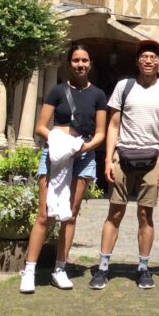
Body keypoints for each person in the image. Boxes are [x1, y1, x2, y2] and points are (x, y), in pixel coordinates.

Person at [19, 43, 107, 293]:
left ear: (91, 64)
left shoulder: (98, 95)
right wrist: (60, 141)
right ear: (69, 63)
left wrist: (83, 146)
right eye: (76, 60)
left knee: (70, 215)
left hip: (83, 155)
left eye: (85, 60)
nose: (80, 64)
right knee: (44, 215)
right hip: (55, 154)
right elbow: (40, 127)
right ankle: (30, 269)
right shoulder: (57, 91)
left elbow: (101, 132)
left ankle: (60, 268)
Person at [90, 39, 159, 290]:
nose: (148, 60)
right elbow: (113, 125)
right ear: (137, 61)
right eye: (144, 56)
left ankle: (143, 268)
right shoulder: (124, 86)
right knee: (115, 212)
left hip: (152, 159)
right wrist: (108, 158)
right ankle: (103, 267)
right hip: (123, 157)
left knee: (145, 214)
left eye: (153, 57)